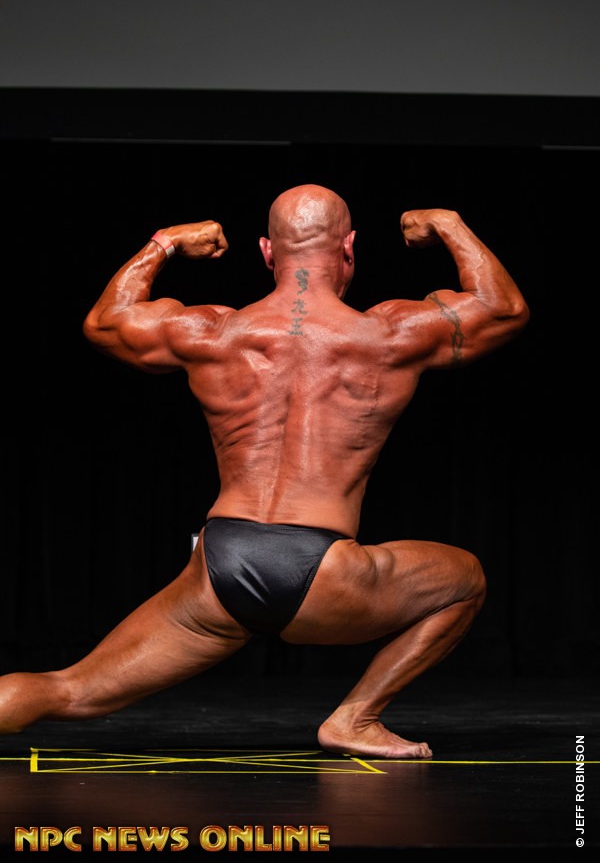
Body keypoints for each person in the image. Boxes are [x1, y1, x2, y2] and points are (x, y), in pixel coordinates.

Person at [0, 185, 529, 758]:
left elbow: (107, 323)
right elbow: (502, 309)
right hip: (323, 568)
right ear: (349, 247)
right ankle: (355, 718)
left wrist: (165, 243)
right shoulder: (388, 335)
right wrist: (448, 223)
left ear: (266, 251)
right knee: (464, 580)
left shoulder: (213, 332)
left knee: (69, 689)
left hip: (220, 565)